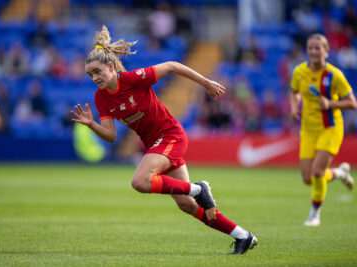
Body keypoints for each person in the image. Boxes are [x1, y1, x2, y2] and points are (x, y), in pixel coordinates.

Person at [71, 26, 258, 255]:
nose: (95, 78)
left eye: (98, 71)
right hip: (157, 145)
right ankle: (242, 236)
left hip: (170, 136)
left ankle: (198, 188)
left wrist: (206, 83)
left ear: (111, 66)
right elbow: (110, 136)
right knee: (187, 205)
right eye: (91, 75)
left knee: (140, 181)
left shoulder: (133, 79)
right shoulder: (101, 98)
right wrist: (92, 125)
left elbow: (172, 66)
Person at [290, 33, 357, 227]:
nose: (313, 51)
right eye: (310, 47)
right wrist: (294, 108)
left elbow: (352, 103)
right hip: (308, 129)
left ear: (326, 51)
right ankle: (340, 174)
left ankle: (314, 214)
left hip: (330, 128)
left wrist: (330, 103)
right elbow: (293, 92)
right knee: (307, 178)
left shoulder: (334, 75)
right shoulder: (299, 71)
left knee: (318, 172)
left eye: (317, 48)